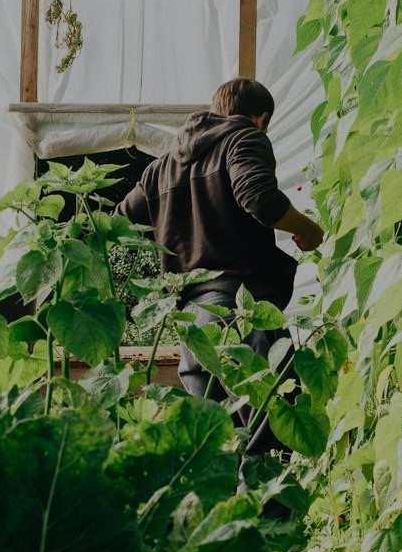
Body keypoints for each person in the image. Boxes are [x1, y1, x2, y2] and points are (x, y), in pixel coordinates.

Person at [116, 77, 324, 419]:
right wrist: (307, 228)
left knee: (224, 443)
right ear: (262, 118)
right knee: (274, 427)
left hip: (191, 324)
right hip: (240, 310)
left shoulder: (161, 167)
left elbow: (119, 224)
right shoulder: (244, 138)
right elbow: (259, 198)